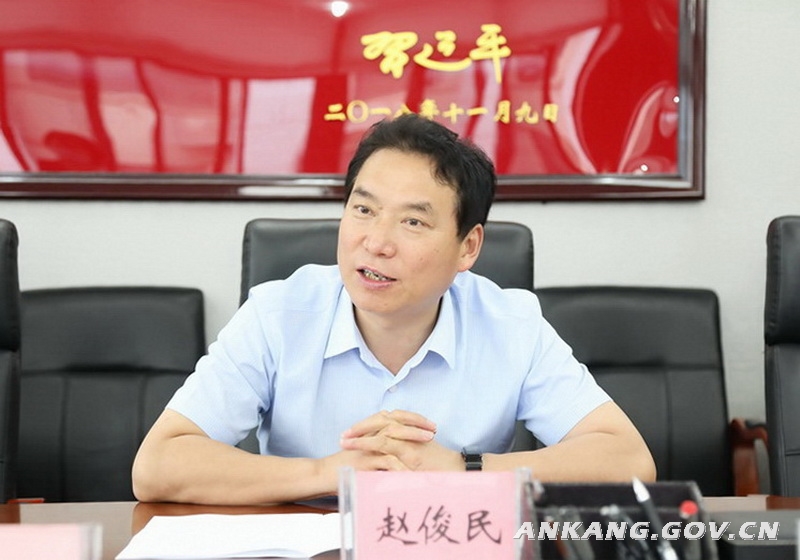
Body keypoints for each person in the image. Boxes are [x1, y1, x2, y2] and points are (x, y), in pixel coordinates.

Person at [132, 114, 655, 505]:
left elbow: (628, 459)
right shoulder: (278, 313)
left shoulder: (511, 323)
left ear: (468, 247)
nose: (376, 243)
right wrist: (331, 473)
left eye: (413, 222)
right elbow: (158, 465)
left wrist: (465, 469)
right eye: (363, 209)